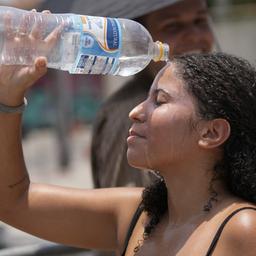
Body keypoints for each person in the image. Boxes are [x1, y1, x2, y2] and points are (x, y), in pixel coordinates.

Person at [1, 13, 256, 254]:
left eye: (160, 100)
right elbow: (13, 201)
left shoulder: (244, 229)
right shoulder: (136, 215)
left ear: (211, 132)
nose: (135, 111)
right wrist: (9, 96)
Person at [90, 0, 216, 188]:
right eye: (172, 26)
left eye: (200, 20)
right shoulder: (129, 116)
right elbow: (131, 211)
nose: (195, 36)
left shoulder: (222, 98)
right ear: (138, 41)